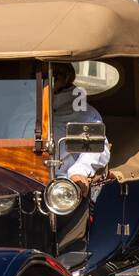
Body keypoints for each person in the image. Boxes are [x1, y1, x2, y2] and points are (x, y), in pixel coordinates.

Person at [51, 65, 111, 197]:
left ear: (66, 78)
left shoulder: (85, 113)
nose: (48, 81)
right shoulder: (23, 108)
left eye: (54, 76)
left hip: (64, 187)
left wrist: (78, 172)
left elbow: (97, 147)